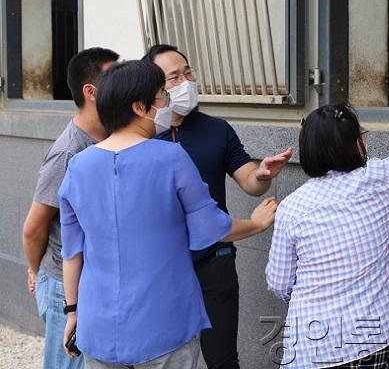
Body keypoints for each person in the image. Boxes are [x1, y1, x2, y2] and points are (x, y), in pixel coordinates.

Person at [58, 60, 278, 368]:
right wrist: (256, 223)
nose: (166, 102)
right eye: (161, 95)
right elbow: (211, 228)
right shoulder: (171, 157)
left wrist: (72, 312)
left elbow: (72, 253)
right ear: (140, 106)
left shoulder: (78, 166)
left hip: (97, 324)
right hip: (163, 322)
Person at [265, 55, 389, 368]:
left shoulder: (292, 207)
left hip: (309, 348)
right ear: (356, 145)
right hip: (368, 343)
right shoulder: (378, 180)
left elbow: (279, 281)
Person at [142, 44, 292, 369]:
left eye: (188, 72)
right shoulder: (141, 135)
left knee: (222, 358)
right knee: (164, 358)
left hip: (215, 259)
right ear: (154, 88)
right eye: (174, 77)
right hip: (160, 267)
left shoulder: (216, 128)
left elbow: (250, 181)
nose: (186, 81)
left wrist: (263, 173)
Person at [22, 47, 119, 369]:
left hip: (95, 277)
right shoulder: (69, 152)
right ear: (90, 92)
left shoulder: (112, 138)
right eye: (113, 77)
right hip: (66, 283)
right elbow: (34, 227)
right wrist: (37, 271)